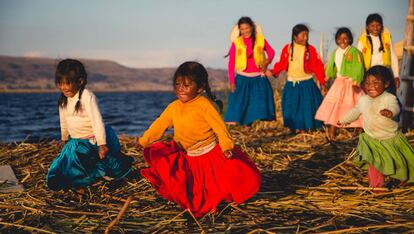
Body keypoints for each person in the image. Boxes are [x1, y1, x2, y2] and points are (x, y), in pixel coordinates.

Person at [137, 61, 261, 217]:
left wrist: (226, 146)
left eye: (186, 85)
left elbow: (219, 127)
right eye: (177, 84)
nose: (180, 89)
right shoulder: (174, 107)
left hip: (209, 154)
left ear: (200, 88)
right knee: (192, 188)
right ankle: (200, 204)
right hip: (187, 156)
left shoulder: (204, 105)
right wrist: (144, 141)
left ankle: (214, 204)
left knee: (213, 185)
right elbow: (159, 125)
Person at [46, 59, 133, 191]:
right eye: (60, 83)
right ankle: (79, 184)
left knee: (108, 163)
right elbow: (63, 121)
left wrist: (102, 144)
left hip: (92, 139)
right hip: (75, 141)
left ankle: (88, 182)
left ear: (79, 81)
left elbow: (96, 121)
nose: (63, 87)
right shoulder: (63, 99)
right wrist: (64, 138)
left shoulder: (87, 96)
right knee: (65, 166)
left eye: (67, 83)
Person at [339, 65, 414, 189]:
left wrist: (390, 112)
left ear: (386, 84)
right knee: (375, 164)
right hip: (372, 140)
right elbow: (355, 111)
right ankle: (377, 187)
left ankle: (404, 178)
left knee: (398, 162)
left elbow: (395, 107)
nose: (370, 86)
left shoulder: (389, 98)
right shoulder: (363, 100)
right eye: (367, 83)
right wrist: (343, 120)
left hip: (390, 138)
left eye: (375, 82)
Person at [272, 24, 325, 132]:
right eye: (303, 35)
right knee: (292, 107)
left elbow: (317, 65)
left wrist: (322, 80)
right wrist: (273, 72)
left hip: (307, 83)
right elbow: (282, 63)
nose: (306, 38)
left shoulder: (310, 49)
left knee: (308, 107)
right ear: (295, 37)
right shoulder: (288, 49)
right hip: (292, 84)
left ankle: (310, 128)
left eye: (307, 35)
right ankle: (294, 128)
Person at [315, 27, 365, 141]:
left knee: (355, 106)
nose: (342, 41)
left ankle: (358, 130)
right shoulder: (335, 52)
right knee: (336, 106)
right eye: (339, 38)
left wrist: (357, 80)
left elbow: (359, 67)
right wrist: (326, 78)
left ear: (350, 39)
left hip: (351, 82)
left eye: (345, 38)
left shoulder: (354, 51)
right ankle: (332, 131)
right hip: (339, 82)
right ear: (336, 40)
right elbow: (331, 66)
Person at [224, 16, 276, 125]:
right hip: (242, 79)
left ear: (252, 27)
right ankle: (245, 125)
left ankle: (252, 123)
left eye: (247, 28)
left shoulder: (261, 40)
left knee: (259, 103)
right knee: (239, 103)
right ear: (240, 30)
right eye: (242, 29)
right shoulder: (236, 43)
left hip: (258, 78)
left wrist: (266, 62)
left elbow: (271, 52)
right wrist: (232, 81)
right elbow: (231, 63)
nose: (245, 31)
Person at [357, 13, 400, 89]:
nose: (375, 28)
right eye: (372, 26)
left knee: (389, 96)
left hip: (385, 72)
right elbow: (358, 61)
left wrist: (396, 76)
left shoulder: (386, 38)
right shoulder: (362, 41)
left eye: (378, 25)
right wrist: (359, 78)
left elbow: (393, 56)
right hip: (369, 73)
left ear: (382, 26)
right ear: (367, 27)